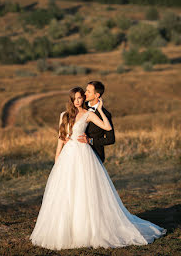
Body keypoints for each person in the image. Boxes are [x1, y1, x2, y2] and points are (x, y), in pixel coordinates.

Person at [29, 87, 167, 251]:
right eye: (76, 98)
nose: (78, 100)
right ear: (71, 100)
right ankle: (67, 229)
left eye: (81, 97)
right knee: (66, 192)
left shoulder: (88, 114)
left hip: (83, 155)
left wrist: (100, 109)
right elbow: (60, 138)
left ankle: (86, 229)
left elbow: (107, 128)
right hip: (67, 156)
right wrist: (57, 158)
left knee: (84, 191)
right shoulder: (63, 116)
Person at [77, 81, 115, 163]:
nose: (85, 93)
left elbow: (111, 139)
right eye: (86, 90)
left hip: (95, 154)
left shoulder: (105, 115)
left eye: (88, 92)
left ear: (97, 95)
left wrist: (90, 140)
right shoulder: (80, 106)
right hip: (77, 152)